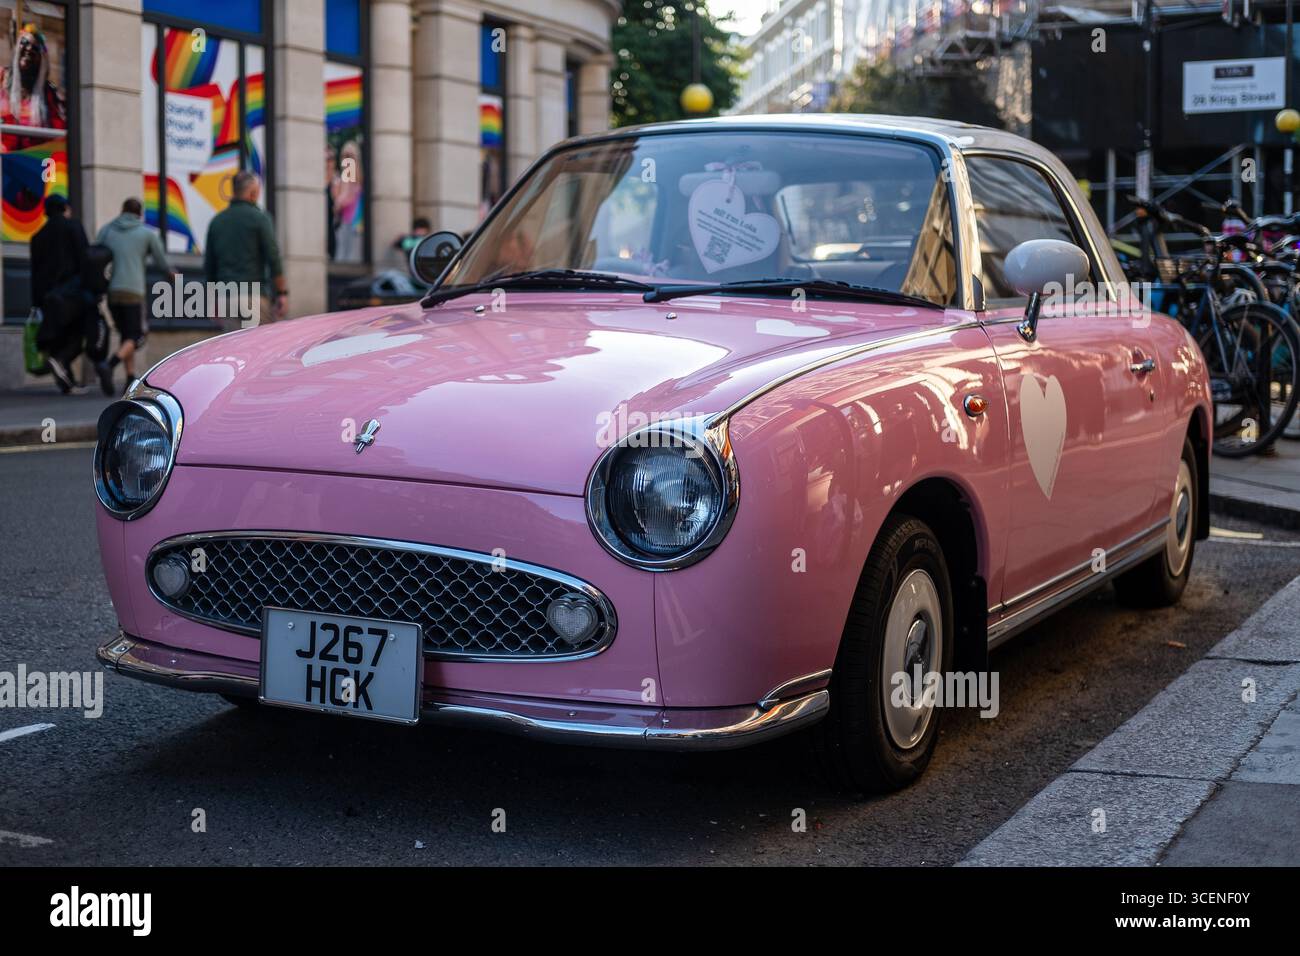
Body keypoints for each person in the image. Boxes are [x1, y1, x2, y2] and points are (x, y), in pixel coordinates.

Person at [93, 197, 175, 395]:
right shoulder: (145, 234)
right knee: (137, 335)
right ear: (140, 214)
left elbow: (94, 255)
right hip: (133, 291)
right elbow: (161, 261)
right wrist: (172, 275)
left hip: (112, 292)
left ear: (122, 210)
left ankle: (130, 378)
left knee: (125, 334)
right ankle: (109, 365)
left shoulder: (106, 230)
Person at [203, 171, 286, 330]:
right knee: (261, 350)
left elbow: (209, 266)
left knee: (234, 350)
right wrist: (282, 293)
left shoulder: (217, 222)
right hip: (254, 298)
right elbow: (273, 257)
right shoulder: (260, 219)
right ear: (253, 193)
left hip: (226, 298)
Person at [30, 194, 88, 392]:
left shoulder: (37, 237)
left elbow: (35, 272)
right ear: (64, 208)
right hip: (72, 294)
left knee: (58, 338)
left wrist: (36, 302)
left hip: (47, 297)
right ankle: (61, 362)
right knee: (80, 335)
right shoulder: (73, 227)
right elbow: (84, 259)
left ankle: (67, 382)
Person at [0, 22, 68, 151]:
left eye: (35, 48)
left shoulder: (50, 96)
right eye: (24, 43)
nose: (29, 49)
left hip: (32, 165)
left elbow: (59, 137)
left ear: (41, 62)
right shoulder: (1, 78)